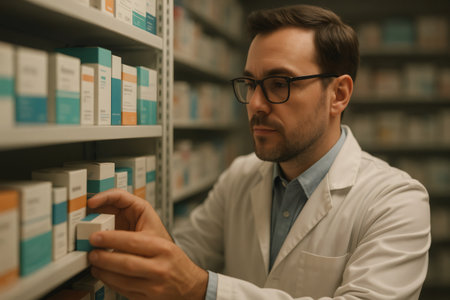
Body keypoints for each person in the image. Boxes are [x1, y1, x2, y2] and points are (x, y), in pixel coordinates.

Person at [87, 4, 431, 300]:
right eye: (250, 83)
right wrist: (150, 245)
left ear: (338, 94)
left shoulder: (396, 201)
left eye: (279, 84)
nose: (254, 104)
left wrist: (202, 289)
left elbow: (191, 282)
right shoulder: (240, 176)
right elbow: (184, 260)